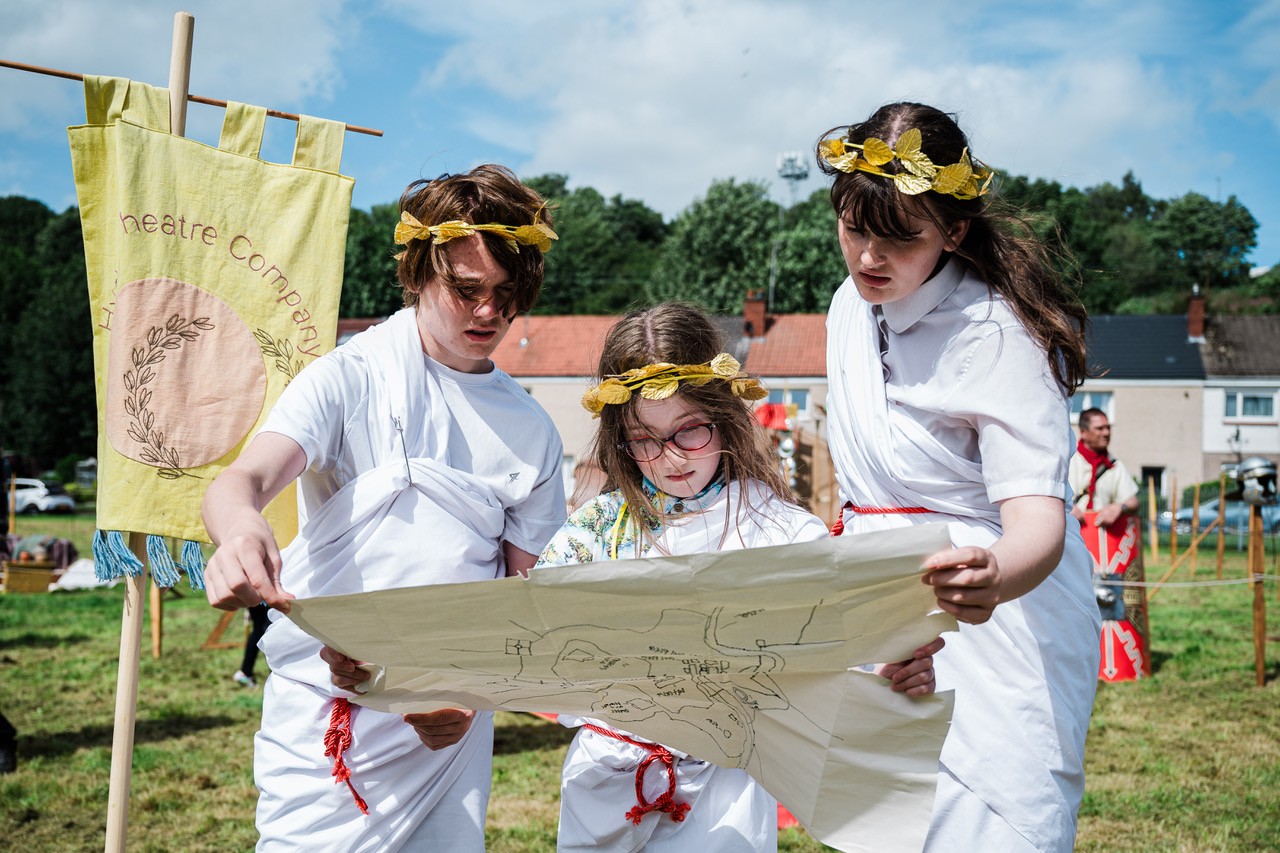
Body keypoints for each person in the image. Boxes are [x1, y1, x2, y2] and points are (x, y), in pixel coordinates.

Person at [201, 164, 567, 852]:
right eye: (466, 290)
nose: (489, 311)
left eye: (507, 293)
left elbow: (527, 600)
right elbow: (241, 479)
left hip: (448, 726)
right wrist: (240, 527)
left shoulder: (532, 428)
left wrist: (469, 689)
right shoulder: (350, 377)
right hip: (325, 709)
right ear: (419, 272)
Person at [536, 303, 943, 851]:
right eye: (644, 439)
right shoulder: (595, 533)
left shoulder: (780, 532)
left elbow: (840, 634)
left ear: (723, 416)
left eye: (689, 432)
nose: (668, 458)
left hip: (726, 785)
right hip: (606, 780)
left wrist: (892, 665)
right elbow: (534, 639)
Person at [817, 102, 1102, 852]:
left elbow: (1041, 521)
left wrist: (995, 573)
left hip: (995, 616)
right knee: (884, 827)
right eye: (853, 228)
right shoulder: (847, 308)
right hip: (878, 604)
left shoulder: (997, 337)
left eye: (898, 236)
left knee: (985, 828)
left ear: (955, 230)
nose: (868, 257)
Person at [1069, 407, 1140, 529]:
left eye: (1108, 428)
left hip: (1099, 539)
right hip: (1068, 535)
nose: (1106, 433)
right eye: (1099, 428)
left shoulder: (1114, 465)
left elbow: (1133, 502)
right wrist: (1066, 508)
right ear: (1083, 432)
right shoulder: (1067, 458)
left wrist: (1119, 507)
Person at [233, 603, 271, 689]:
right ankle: (275, 676)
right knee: (269, 628)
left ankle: (245, 672)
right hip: (269, 592)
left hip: (254, 591)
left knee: (259, 628)